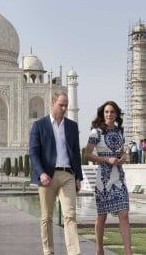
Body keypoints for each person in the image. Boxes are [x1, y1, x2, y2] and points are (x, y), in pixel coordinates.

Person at [29, 90, 83, 255]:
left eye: (66, 105)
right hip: (48, 176)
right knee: (47, 217)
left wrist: (78, 177)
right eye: (61, 105)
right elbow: (33, 152)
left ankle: (74, 252)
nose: (64, 108)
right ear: (52, 104)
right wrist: (41, 173)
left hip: (67, 174)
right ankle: (48, 251)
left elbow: (75, 153)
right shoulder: (39, 125)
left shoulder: (72, 126)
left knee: (70, 215)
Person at [84, 100, 132, 255]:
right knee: (102, 216)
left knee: (124, 215)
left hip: (119, 178)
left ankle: (128, 252)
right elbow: (87, 154)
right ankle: (99, 249)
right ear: (102, 114)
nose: (109, 114)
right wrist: (106, 160)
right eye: (106, 112)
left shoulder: (119, 132)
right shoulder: (96, 133)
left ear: (116, 114)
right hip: (103, 180)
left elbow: (122, 151)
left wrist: (124, 157)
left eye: (112, 112)